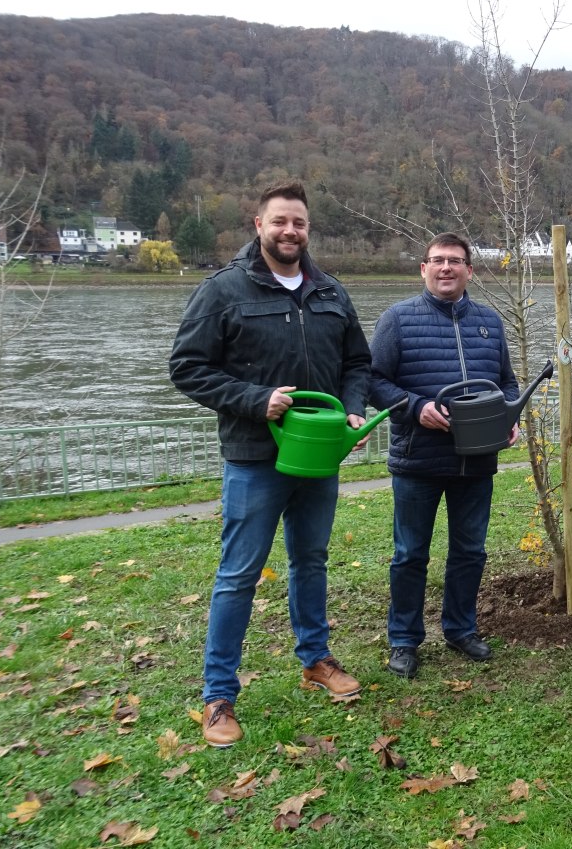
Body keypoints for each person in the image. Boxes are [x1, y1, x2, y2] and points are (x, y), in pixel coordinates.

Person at [169, 180, 372, 748]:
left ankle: (315, 659)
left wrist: (352, 412)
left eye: (300, 223)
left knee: (310, 561)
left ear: (309, 230)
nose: (290, 231)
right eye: (280, 221)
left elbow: (357, 362)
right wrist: (255, 400)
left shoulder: (330, 291)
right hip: (255, 457)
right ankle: (218, 696)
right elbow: (187, 367)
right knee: (238, 576)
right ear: (258, 224)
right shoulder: (223, 291)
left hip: (318, 458)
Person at [369, 233, 519, 680]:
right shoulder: (397, 320)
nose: (446, 268)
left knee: (470, 551)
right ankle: (404, 639)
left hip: (476, 461)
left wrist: (510, 417)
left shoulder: (489, 322)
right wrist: (418, 408)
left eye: (455, 261)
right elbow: (374, 381)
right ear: (423, 269)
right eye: (438, 261)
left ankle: (460, 628)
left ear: (470, 271)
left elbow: (507, 384)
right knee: (410, 554)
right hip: (418, 458)